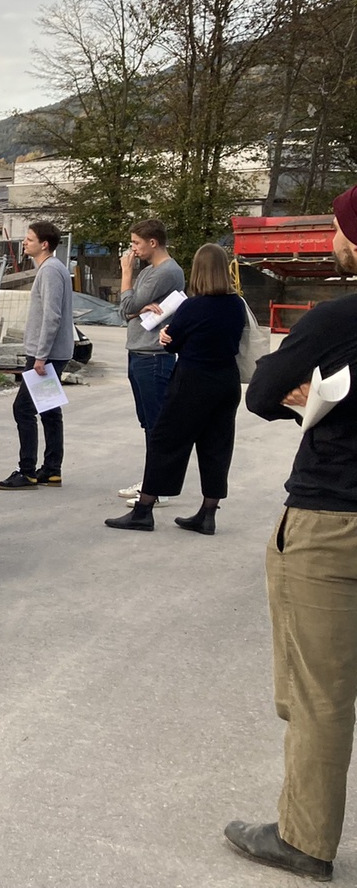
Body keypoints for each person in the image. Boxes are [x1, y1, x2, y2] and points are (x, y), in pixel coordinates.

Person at [224, 185, 357, 882]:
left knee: (321, 694)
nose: (333, 239)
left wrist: (306, 403)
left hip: (332, 518)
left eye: (340, 228)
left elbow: (260, 390)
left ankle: (305, 839)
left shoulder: (336, 319)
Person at [107, 243, 247, 534]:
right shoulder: (236, 304)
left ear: (198, 270)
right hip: (227, 381)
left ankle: (144, 510)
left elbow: (174, 342)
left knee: (166, 441)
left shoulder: (192, 306)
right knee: (217, 446)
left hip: (193, 380)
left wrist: (165, 336)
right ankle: (208, 514)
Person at [0, 221, 74, 490]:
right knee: (49, 410)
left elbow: (52, 316)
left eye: (29, 239)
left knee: (23, 409)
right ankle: (51, 469)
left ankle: (26, 470)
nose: (25, 242)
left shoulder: (49, 270)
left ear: (44, 244)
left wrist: (40, 356)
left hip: (46, 354)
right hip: (51, 352)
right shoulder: (53, 268)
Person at [117, 218, 185, 494]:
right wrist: (136, 309)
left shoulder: (166, 272)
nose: (133, 249)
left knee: (157, 424)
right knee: (147, 421)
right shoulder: (148, 271)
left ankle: (157, 487)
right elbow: (125, 311)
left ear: (153, 242)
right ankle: (152, 482)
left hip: (154, 355)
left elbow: (128, 304)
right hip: (138, 351)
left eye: (136, 243)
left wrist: (126, 273)